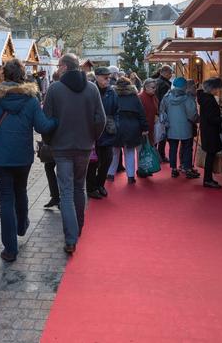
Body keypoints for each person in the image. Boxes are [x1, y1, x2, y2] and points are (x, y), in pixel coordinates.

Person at [0, 58, 57, 262]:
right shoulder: (31, 99)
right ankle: (22, 225)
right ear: (22, 76)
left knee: (6, 201)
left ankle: (10, 249)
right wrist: (58, 120)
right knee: (21, 191)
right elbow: (43, 127)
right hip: (22, 156)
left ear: (3, 75)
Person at [43, 53, 105, 254]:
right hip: (84, 146)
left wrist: (49, 140)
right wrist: (91, 137)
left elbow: (47, 120)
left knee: (67, 192)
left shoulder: (55, 89)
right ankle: (77, 227)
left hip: (61, 147)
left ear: (63, 67)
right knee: (79, 188)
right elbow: (100, 119)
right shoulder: (92, 88)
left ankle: (71, 237)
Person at [86, 66, 118, 199]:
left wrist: (116, 124)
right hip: (93, 132)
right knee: (93, 162)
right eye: (105, 77)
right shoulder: (90, 90)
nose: (108, 79)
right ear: (97, 77)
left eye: (109, 77)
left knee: (107, 160)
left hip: (108, 130)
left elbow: (117, 110)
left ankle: (100, 184)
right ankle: (91, 188)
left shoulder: (111, 92)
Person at [109, 77, 148, 184]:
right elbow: (141, 113)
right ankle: (130, 177)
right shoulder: (134, 97)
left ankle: (110, 174)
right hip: (132, 127)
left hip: (116, 127)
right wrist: (145, 128)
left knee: (114, 152)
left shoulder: (112, 95)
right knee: (129, 152)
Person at [160, 76, 199, 179]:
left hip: (171, 127)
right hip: (186, 127)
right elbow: (192, 114)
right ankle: (187, 168)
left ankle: (174, 169)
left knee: (173, 148)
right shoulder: (187, 98)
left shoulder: (167, 97)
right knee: (187, 148)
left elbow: (162, 112)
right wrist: (196, 119)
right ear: (184, 86)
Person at [198, 78, 222, 189]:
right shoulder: (209, 100)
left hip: (207, 130)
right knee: (210, 156)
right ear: (213, 88)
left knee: (210, 155)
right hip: (211, 131)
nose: (218, 91)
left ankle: (208, 179)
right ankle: (208, 180)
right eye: (217, 88)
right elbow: (212, 119)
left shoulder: (203, 98)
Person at [41, 71, 62, 208]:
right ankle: (56, 196)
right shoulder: (64, 92)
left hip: (56, 137)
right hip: (57, 137)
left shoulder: (53, 92)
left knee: (55, 167)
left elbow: (45, 117)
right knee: (51, 166)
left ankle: (57, 197)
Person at [155, 65, 173, 161]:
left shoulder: (158, 82)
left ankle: (156, 155)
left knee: (156, 134)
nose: (171, 75)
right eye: (170, 73)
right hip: (161, 112)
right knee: (162, 134)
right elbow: (163, 100)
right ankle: (161, 155)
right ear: (165, 73)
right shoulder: (164, 84)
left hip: (157, 111)